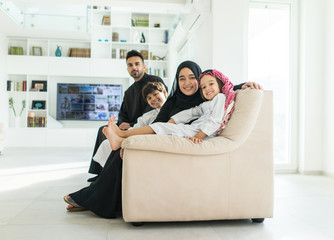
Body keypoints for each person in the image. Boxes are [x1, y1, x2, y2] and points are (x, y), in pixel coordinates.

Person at [64, 61, 262, 218]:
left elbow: (222, 88)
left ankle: (93, 197)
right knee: (119, 151)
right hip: (168, 139)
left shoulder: (208, 95)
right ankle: (97, 194)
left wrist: (243, 85)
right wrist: (133, 141)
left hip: (180, 146)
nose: (187, 83)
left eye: (192, 77)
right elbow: (158, 123)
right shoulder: (174, 101)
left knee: (122, 149)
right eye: (181, 78)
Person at [103, 69, 235, 149]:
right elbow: (193, 111)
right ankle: (120, 138)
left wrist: (198, 136)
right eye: (204, 87)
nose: (207, 89)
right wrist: (173, 120)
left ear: (220, 84)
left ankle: (122, 134)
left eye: (211, 84)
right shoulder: (208, 103)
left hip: (197, 132)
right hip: (191, 129)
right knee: (161, 127)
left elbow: (215, 121)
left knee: (160, 127)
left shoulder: (221, 97)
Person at [87, 50, 167, 182]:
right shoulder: (129, 91)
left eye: (137, 64)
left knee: (113, 131)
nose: (134, 67)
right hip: (130, 124)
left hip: (144, 125)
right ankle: (100, 171)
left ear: (144, 66)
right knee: (103, 129)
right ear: (127, 68)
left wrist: (131, 124)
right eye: (130, 65)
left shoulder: (154, 81)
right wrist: (122, 123)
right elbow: (122, 112)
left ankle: (106, 174)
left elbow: (153, 110)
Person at [92, 82, 168, 169]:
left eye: (155, 94)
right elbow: (137, 125)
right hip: (139, 133)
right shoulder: (149, 114)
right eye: (149, 98)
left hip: (155, 138)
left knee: (118, 146)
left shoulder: (171, 110)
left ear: (164, 93)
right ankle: (120, 138)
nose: (153, 99)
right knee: (107, 144)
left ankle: (120, 138)